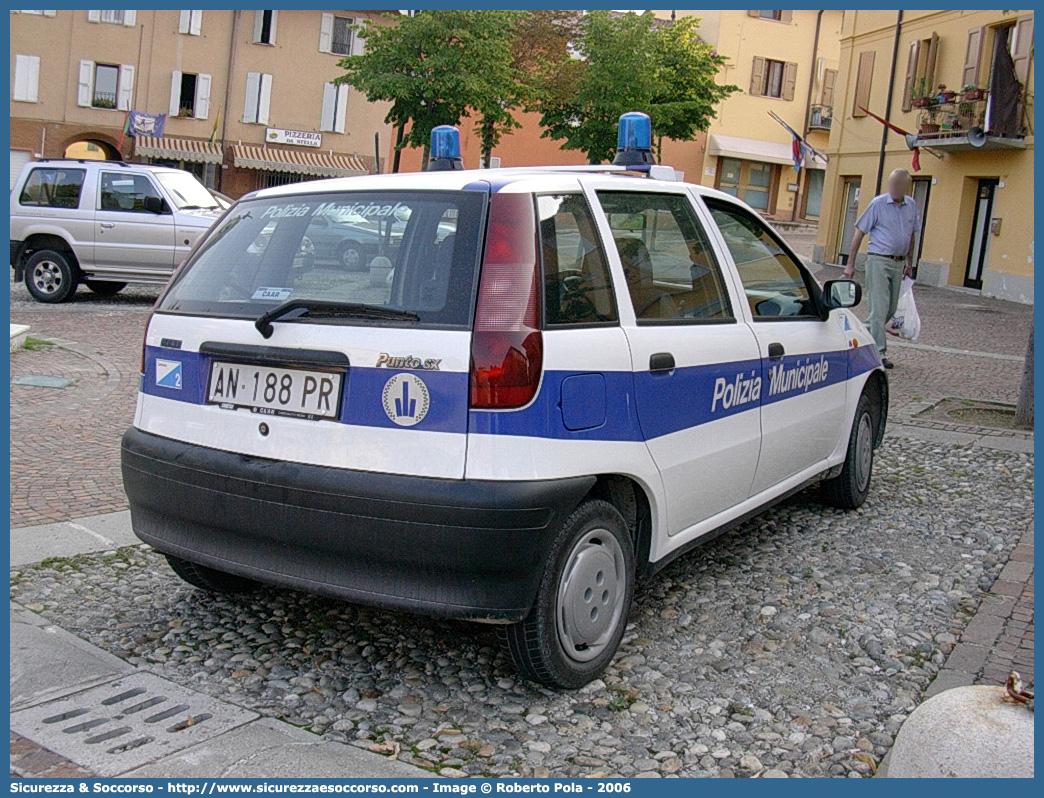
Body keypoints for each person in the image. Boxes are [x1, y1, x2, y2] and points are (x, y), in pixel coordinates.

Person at [843, 169, 917, 369]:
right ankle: (879, 355)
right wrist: (850, 264)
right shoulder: (878, 204)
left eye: (899, 185)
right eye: (892, 184)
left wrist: (910, 263)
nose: (894, 188)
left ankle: (854, 337)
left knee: (889, 310)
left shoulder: (911, 206)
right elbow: (859, 233)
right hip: (878, 261)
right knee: (878, 309)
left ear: (906, 187)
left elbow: (911, 236)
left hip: (898, 263)